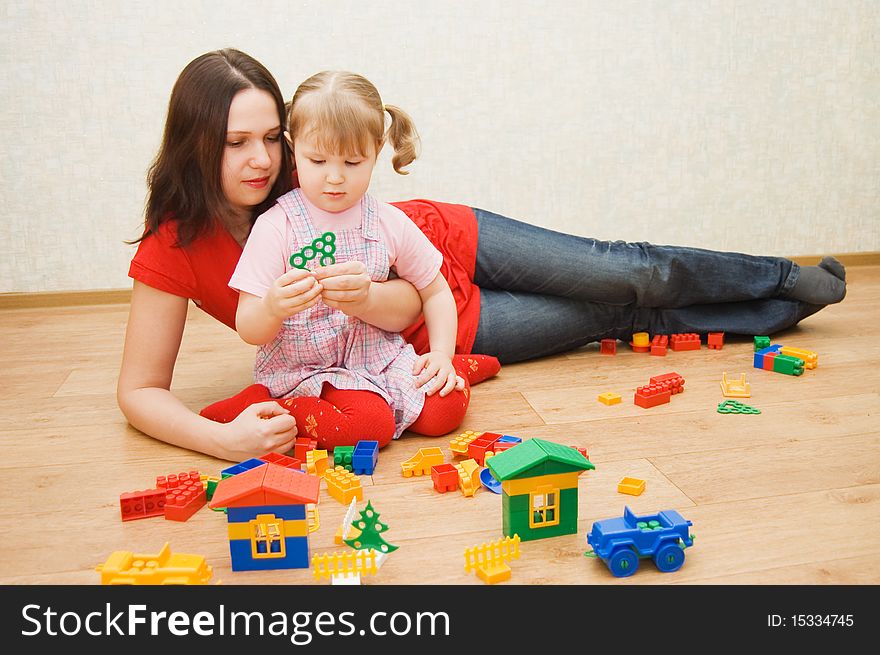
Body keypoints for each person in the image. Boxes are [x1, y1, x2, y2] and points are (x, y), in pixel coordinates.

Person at [118, 48, 845, 461]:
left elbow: (410, 290)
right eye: (236, 141)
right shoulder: (181, 242)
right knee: (613, 317)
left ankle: (785, 275)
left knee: (629, 270)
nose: (262, 158)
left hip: (444, 245)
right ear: (195, 141)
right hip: (430, 346)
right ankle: (774, 312)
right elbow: (139, 391)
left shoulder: (315, 180)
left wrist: (365, 294)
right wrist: (221, 439)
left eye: (271, 137)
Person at [208, 70, 472, 449]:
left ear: (376, 152)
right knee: (368, 428)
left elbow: (435, 292)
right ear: (291, 146)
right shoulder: (277, 226)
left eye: (352, 163)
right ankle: (266, 402)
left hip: (377, 358)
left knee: (446, 408)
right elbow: (249, 326)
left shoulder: (387, 221)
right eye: (317, 160)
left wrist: (443, 356)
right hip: (305, 370)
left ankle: (431, 380)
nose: (334, 178)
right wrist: (273, 306)